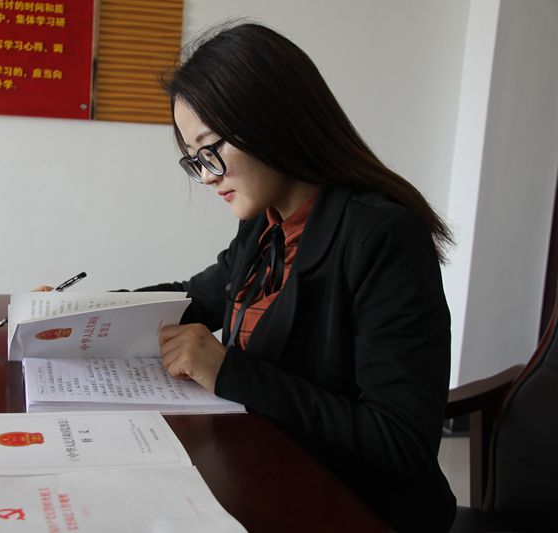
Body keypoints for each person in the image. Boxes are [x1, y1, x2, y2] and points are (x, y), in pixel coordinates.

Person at [140, 23, 456, 532]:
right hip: (266, 474)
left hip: (352, 508)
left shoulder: (382, 236)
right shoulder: (263, 224)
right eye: (194, 160)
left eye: (211, 149)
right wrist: (77, 310)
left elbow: (400, 441)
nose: (207, 176)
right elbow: (194, 298)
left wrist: (230, 372)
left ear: (270, 120)